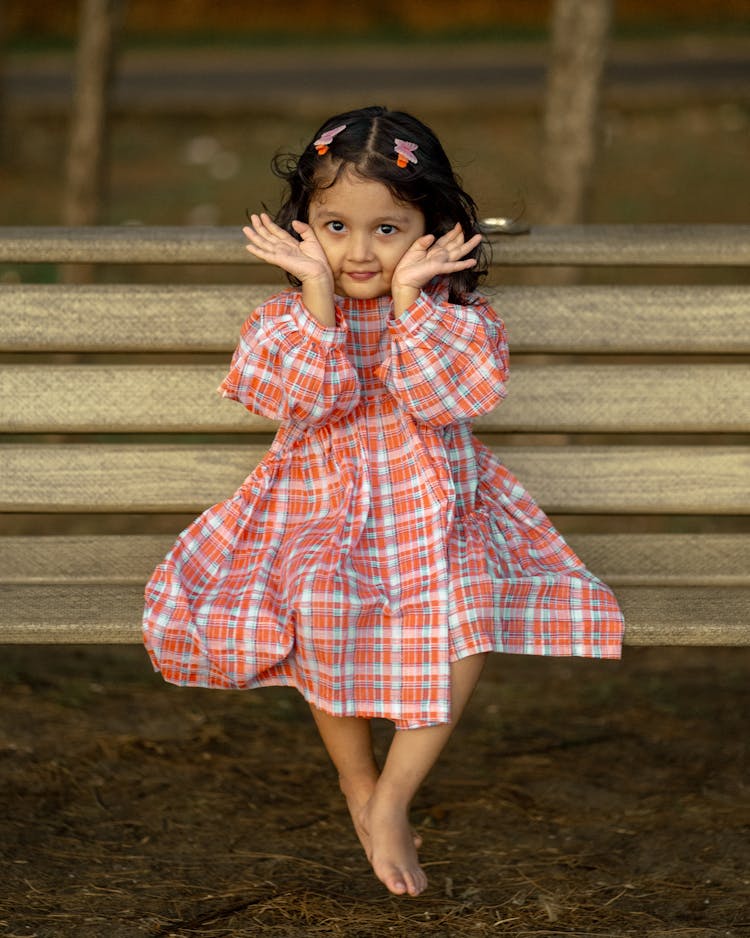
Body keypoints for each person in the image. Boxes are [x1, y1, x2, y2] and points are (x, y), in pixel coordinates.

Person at [143, 105, 624, 898]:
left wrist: (409, 302)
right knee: (318, 597)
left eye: (387, 230)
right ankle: (358, 785)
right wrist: (318, 298)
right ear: (304, 226)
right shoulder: (283, 322)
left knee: (465, 600)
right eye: (334, 225)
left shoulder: (459, 321)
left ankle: (395, 797)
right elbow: (308, 402)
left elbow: (440, 400)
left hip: (436, 506)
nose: (358, 251)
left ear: (429, 230)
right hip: (315, 502)